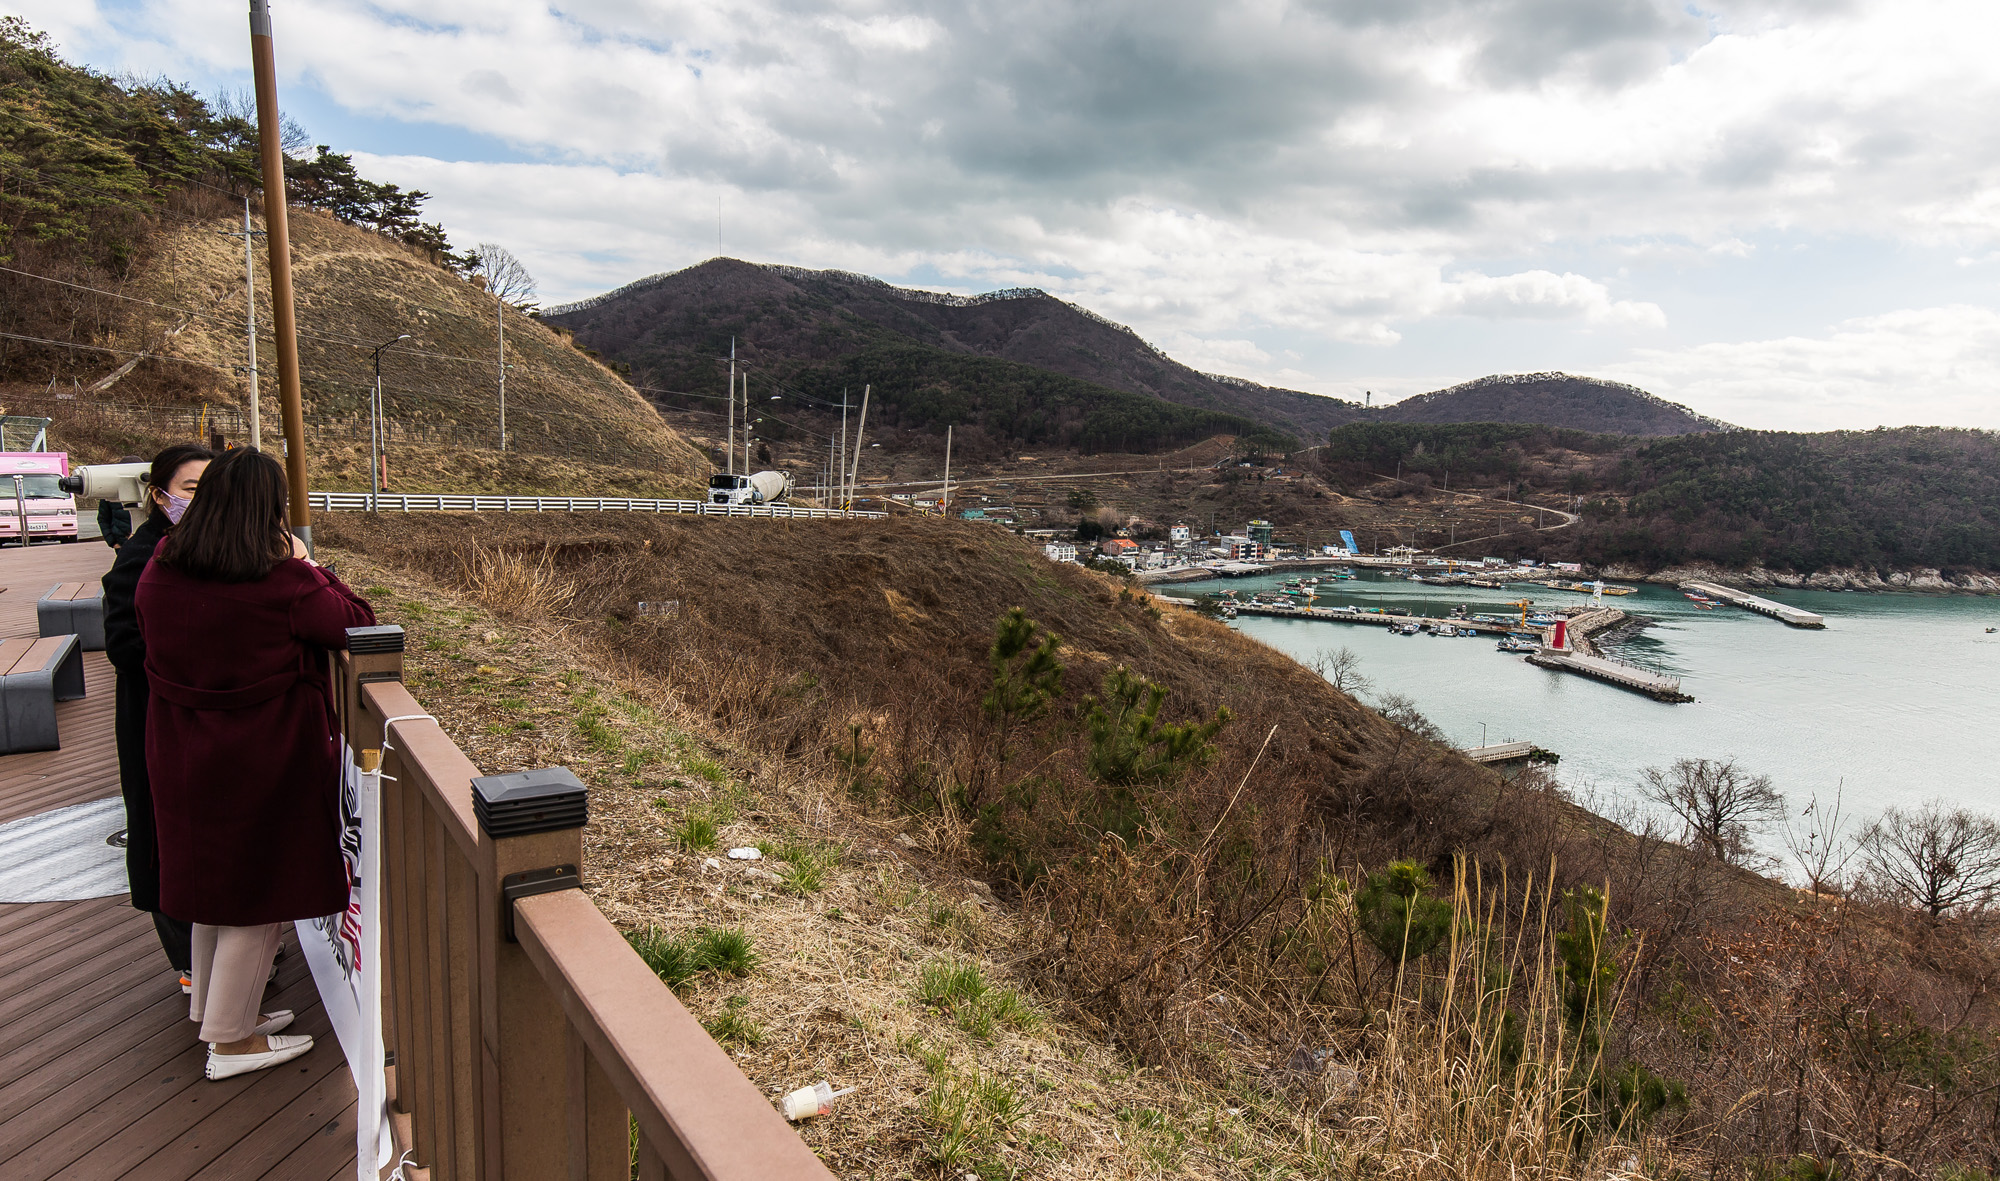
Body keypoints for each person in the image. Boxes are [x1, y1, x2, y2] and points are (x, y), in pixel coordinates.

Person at [137, 446, 376, 1079]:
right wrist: (309, 563)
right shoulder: (279, 581)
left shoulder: (163, 566)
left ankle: (215, 1015)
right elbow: (356, 622)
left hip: (182, 748)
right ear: (269, 511)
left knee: (214, 887)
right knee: (260, 891)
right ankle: (232, 1040)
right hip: (262, 754)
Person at [102, 443, 215, 992]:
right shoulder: (142, 554)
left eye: (212, 490)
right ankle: (192, 965)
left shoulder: (202, 549)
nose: (202, 500)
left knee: (197, 835)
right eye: (192, 489)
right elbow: (124, 646)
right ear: (159, 494)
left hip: (191, 724)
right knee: (161, 838)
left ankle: (220, 960)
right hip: (154, 720)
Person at [97, 455, 144, 549]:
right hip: (122, 543)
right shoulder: (111, 491)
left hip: (146, 541)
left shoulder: (148, 490)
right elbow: (103, 518)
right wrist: (113, 542)